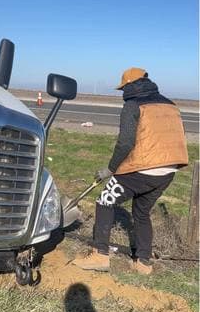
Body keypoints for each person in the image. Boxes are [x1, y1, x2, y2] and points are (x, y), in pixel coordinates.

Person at [73, 67, 188, 275]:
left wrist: (110, 169)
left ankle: (100, 255)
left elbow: (125, 142)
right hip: (169, 170)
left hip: (144, 169)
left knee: (105, 201)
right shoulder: (171, 105)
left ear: (129, 86)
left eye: (123, 87)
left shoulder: (133, 105)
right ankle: (143, 263)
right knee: (142, 212)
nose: (123, 92)